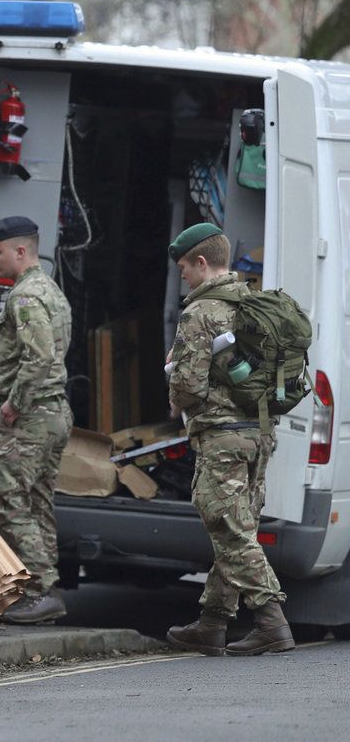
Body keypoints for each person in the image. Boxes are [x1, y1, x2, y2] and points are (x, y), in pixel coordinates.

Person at [164, 223, 294, 656]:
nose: (182, 275)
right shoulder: (253, 302)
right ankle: (213, 623)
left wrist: (174, 394)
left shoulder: (200, 313)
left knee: (229, 528)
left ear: (202, 263)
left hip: (222, 439)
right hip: (259, 434)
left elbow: (188, 388)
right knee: (237, 528)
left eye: (184, 267)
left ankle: (272, 621)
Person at [0, 216, 72, 624]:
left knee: (5, 495)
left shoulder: (24, 297)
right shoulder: (48, 291)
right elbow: (44, 346)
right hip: (53, 412)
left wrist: (14, 404)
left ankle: (42, 587)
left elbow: (41, 357)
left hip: (31, 414)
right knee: (37, 501)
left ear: (20, 251)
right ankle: (45, 589)